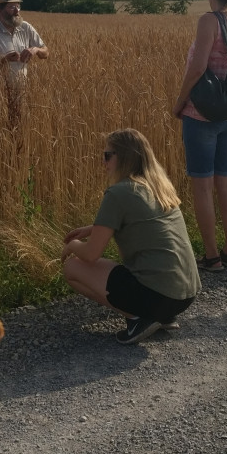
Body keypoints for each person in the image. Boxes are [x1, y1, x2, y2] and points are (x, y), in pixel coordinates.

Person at [61, 129, 201, 344]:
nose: (102, 161)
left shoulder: (118, 193)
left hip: (157, 297)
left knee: (73, 267)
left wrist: (73, 245)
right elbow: (143, 219)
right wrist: (93, 228)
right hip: (185, 295)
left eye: (108, 155)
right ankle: (160, 317)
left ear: (124, 157)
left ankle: (138, 318)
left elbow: (90, 254)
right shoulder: (160, 186)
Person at [172, 0, 227, 273]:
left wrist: (179, 103)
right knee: (226, 183)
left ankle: (211, 257)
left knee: (203, 186)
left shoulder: (208, 20)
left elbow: (197, 68)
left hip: (202, 113)